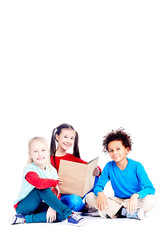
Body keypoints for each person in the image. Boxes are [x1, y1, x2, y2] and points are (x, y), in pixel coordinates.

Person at [10, 137, 86, 226]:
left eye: (42, 150)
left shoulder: (52, 170)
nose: (39, 154)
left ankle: (23, 219)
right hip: (24, 207)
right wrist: (55, 182)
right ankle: (70, 215)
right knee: (42, 188)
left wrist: (52, 207)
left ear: (48, 152)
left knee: (60, 214)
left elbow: (57, 192)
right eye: (35, 151)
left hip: (40, 205)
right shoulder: (30, 169)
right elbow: (39, 183)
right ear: (30, 154)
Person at [86, 128, 157, 220]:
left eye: (118, 149)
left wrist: (136, 195)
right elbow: (99, 185)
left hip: (135, 200)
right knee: (89, 197)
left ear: (127, 149)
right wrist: (100, 193)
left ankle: (115, 211)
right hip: (118, 200)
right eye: (111, 150)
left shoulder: (137, 166)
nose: (114, 153)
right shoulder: (109, 166)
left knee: (151, 201)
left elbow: (150, 188)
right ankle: (126, 212)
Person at [50, 123, 101, 215]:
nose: (68, 141)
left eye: (71, 138)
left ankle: (89, 203)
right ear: (57, 137)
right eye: (65, 137)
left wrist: (97, 171)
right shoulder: (48, 159)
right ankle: (84, 207)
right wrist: (54, 180)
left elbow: (91, 167)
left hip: (77, 191)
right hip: (60, 196)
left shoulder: (72, 158)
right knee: (75, 201)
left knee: (96, 177)